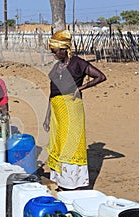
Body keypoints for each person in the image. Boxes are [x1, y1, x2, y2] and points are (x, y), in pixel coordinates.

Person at [43, 30, 107, 190]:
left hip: (71, 108)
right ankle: (61, 181)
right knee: (58, 143)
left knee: (70, 143)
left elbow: (100, 76)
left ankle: (73, 183)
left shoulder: (78, 63)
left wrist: (81, 87)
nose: (54, 55)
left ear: (64, 49)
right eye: (52, 52)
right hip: (57, 110)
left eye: (56, 51)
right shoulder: (56, 68)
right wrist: (47, 116)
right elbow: (52, 93)